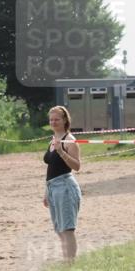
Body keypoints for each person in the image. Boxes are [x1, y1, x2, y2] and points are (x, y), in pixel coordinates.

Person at [43, 105, 83, 261]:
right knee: (59, 229)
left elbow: (77, 166)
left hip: (65, 187)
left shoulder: (70, 140)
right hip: (53, 188)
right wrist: (46, 191)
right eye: (51, 119)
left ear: (65, 120)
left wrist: (61, 152)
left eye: (57, 119)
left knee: (67, 229)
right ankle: (67, 261)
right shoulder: (53, 140)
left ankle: (70, 264)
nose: (53, 122)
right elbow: (51, 167)